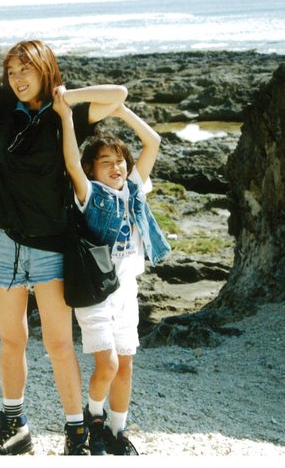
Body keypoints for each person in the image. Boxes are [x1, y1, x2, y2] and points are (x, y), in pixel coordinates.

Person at [0, 0, 128, 455]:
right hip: (5, 242)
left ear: (45, 70)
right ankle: (14, 427)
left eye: (26, 69)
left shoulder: (63, 117)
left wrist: (67, 99)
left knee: (57, 344)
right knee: (11, 340)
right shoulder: (2, 111)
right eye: (12, 71)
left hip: (50, 245)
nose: (17, 78)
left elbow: (119, 95)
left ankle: (76, 433)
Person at [54, 96, 171, 455]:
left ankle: (117, 434)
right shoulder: (90, 193)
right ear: (93, 170)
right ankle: (94, 419)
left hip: (126, 292)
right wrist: (65, 117)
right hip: (94, 292)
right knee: (108, 364)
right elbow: (72, 162)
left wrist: (122, 112)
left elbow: (153, 142)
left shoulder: (134, 189)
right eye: (106, 163)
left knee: (125, 366)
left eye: (120, 161)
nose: (117, 168)